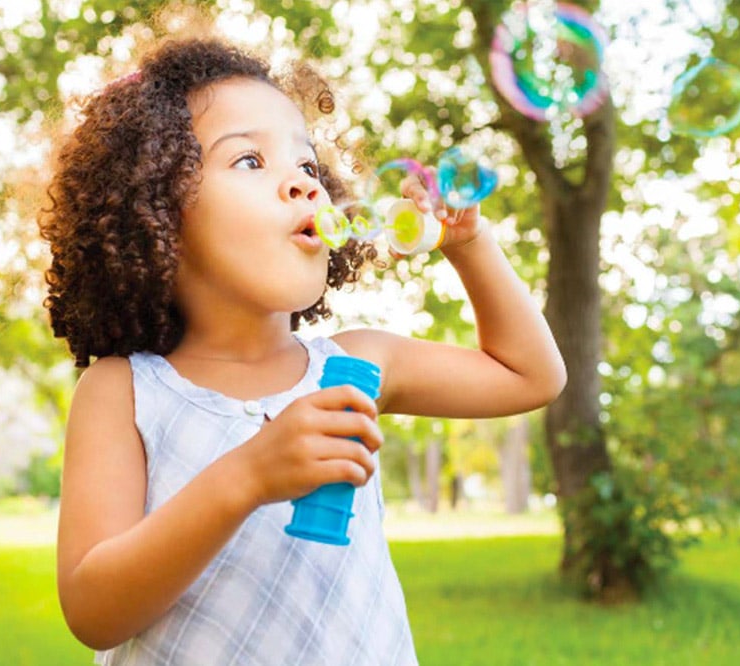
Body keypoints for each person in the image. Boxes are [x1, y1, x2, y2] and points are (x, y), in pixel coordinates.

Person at [39, 30, 566, 666]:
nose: (303, 186)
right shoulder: (124, 391)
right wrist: (248, 476)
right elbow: (93, 611)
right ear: (153, 213)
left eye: (308, 166)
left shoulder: (354, 364)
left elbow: (530, 375)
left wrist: (468, 246)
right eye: (249, 161)